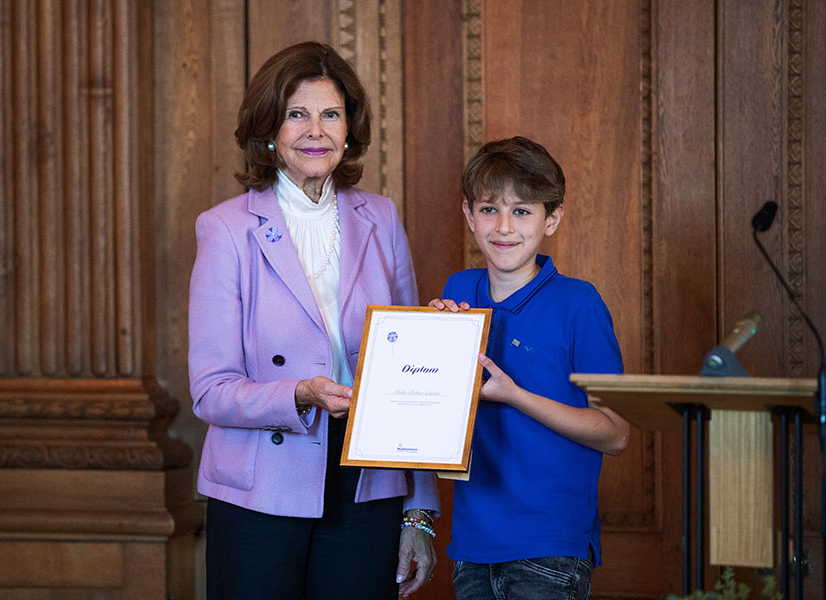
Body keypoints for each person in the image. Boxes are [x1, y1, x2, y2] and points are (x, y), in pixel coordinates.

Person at [188, 41, 440, 599]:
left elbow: (412, 379)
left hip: (368, 481)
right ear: (268, 129)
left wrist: (418, 513)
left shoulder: (381, 216)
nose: (315, 131)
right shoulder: (225, 229)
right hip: (261, 489)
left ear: (349, 128)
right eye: (297, 114)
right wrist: (298, 392)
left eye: (330, 114)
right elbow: (210, 391)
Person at [429, 136, 630, 600]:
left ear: (552, 218)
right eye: (488, 210)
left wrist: (514, 395)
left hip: (551, 548)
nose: (503, 227)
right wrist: (429, 346)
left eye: (522, 211)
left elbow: (617, 434)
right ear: (468, 215)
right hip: (472, 546)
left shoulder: (579, 303)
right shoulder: (458, 292)